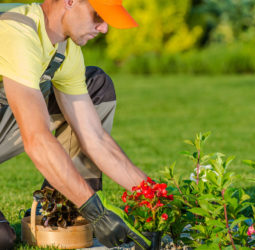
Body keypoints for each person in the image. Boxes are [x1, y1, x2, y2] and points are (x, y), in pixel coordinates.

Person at [0, 0, 152, 248]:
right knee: (2, 240)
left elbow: (95, 138)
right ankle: (80, 202)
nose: (103, 29)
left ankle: (59, 209)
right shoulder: (16, 31)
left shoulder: (65, 50)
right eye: (98, 16)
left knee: (95, 83)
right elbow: (36, 140)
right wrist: (97, 213)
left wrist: (156, 197)